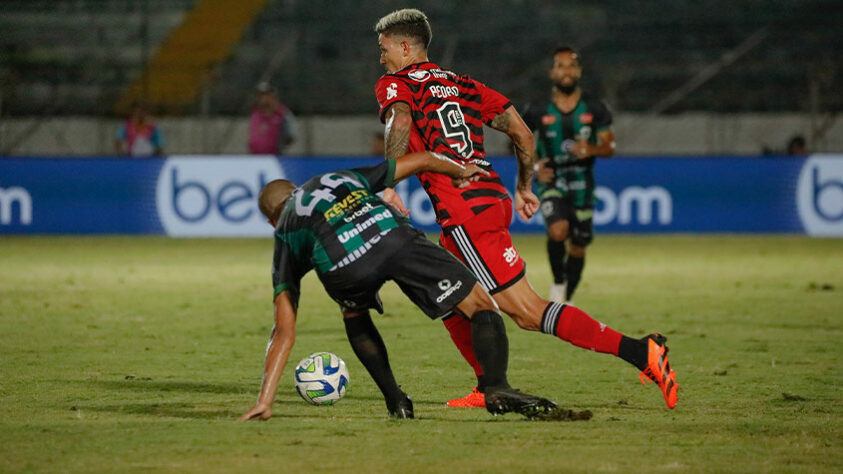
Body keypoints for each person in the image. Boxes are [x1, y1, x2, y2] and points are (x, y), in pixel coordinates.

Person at [373, 9, 678, 410]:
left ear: (406, 46)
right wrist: (524, 187)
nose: (381, 59)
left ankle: (641, 352)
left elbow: (399, 121)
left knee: (526, 311)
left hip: (465, 210)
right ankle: (486, 387)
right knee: (448, 299)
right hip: (485, 202)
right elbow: (521, 132)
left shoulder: (394, 85)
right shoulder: (464, 84)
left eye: (384, 49)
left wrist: (390, 186)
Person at [238, 150, 578, 421]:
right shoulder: (336, 178)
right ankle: (497, 387)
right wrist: (459, 171)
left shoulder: (285, 230)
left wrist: (264, 401)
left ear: (271, 219)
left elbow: (283, 331)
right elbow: (425, 159)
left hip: (344, 267)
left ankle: (396, 401)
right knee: (480, 304)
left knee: (354, 314)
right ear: (296, 189)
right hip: (392, 237)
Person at [521, 46, 616, 304]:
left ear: (579, 71)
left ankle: (566, 297)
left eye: (571, 66)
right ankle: (559, 282)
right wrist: (537, 167)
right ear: (552, 72)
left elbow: (610, 147)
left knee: (579, 244)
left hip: (583, 184)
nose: (566, 71)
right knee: (558, 230)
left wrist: (593, 148)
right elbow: (518, 142)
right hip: (552, 181)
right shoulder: (538, 109)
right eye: (560, 66)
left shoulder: (595, 107)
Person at [248, 82, 297, 155]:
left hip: (275, 156)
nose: (262, 99)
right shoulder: (255, 113)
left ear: (272, 96)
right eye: (259, 96)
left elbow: (290, 136)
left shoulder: (282, 113)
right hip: (255, 157)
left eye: (265, 95)